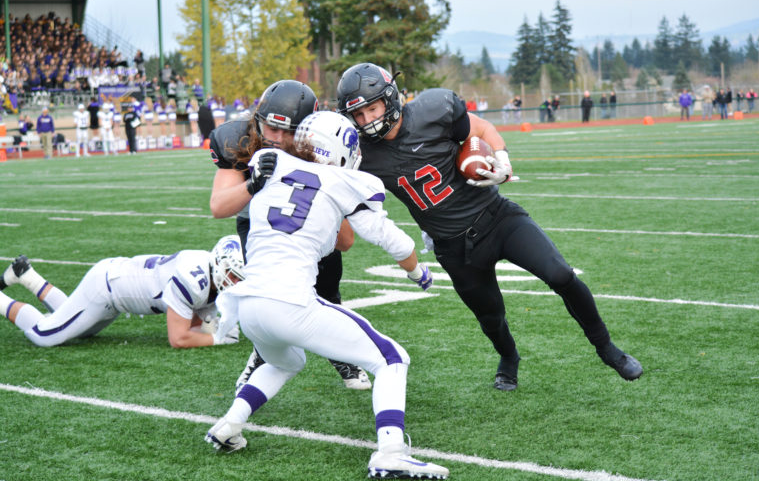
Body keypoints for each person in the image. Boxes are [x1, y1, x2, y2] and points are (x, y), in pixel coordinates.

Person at [336, 63, 642, 391]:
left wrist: (503, 159)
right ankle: (509, 358)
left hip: (497, 218)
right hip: (453, 246)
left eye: (372, 108)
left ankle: (607, 348)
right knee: (490, 317)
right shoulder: (361, 156)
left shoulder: (432, 111)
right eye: (360, 114)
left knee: (561, 275)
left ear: (390, 99)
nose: (368, 121)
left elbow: (482, 129)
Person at [204, 111, 447, 480]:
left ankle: (229, 425)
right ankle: (391, 452)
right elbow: (386, 237)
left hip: (249, 303)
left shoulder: (267, 163)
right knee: (392, 358)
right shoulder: (345, 180)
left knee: (287, 362)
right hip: (290, 300)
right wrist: (417, 271)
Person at [208, 80, 370, 391]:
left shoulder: (320, 145)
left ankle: (338, 352)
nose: (279, 139)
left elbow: (345, 241)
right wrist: (252, 184)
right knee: (268, 292)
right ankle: (260, 356)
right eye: (271, 128)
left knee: (327, 284)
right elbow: (218, 207)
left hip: (309, 221)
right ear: (258, 120)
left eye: (289, 131)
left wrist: (327, 193)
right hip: (258, 221)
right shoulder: (237, 139)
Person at [0, 236, 244, 348]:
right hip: (106, 287)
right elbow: (179, 338)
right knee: (45, 335)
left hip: (115, 291)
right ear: (220, 265)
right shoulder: (193, 279)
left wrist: (215, 324)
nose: (235, 282)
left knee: (78, 330)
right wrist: (216, 337)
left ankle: (26, 275)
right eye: (233, 274)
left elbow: (196, 320)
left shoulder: (207, 269)